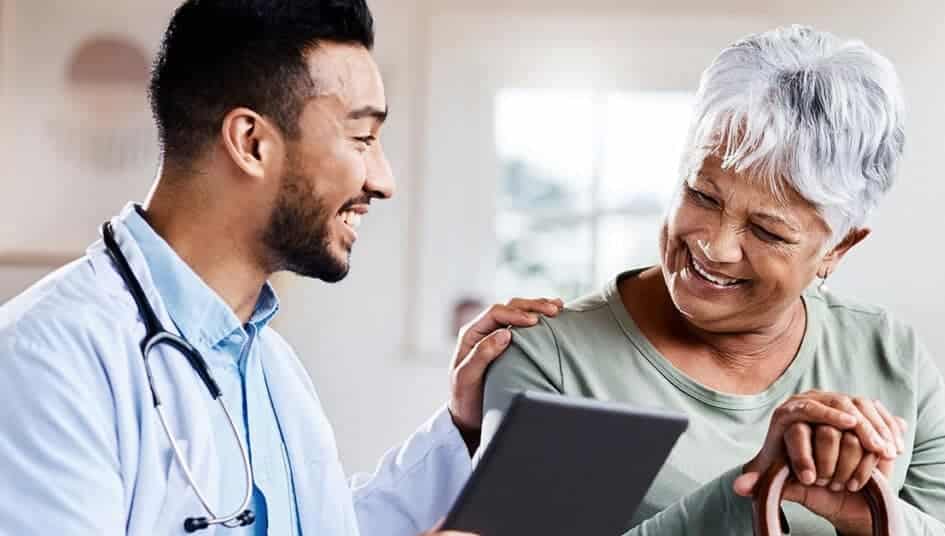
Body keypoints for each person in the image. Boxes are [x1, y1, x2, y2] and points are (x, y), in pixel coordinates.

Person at [0, 1, 564, 534]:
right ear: (251, 143)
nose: (383, 180)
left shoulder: (270, 365)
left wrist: (462, 428)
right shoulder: (45, 363)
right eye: (362, 138)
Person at [481, 25, 945, 535]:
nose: (715, 246)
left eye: (767, 231)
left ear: (838, 248)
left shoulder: (887, 352)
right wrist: (759, 487)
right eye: (702, 195)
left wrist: (868, 514)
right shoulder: (552, 358)